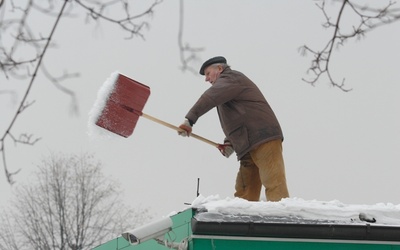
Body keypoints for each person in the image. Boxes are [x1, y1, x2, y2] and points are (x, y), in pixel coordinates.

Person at [178, 56, 289, 202]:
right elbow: (238, 118)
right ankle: (243, 222)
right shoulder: (227, 88)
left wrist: (189, 120)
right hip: (247, 145)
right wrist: (230, 142)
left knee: (273, 182)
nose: (206, 79)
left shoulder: (231, 78)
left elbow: (209, 98)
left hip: (263, 138)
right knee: (245, 192)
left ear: (219, 69)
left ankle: (281, 219)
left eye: (207, 74)